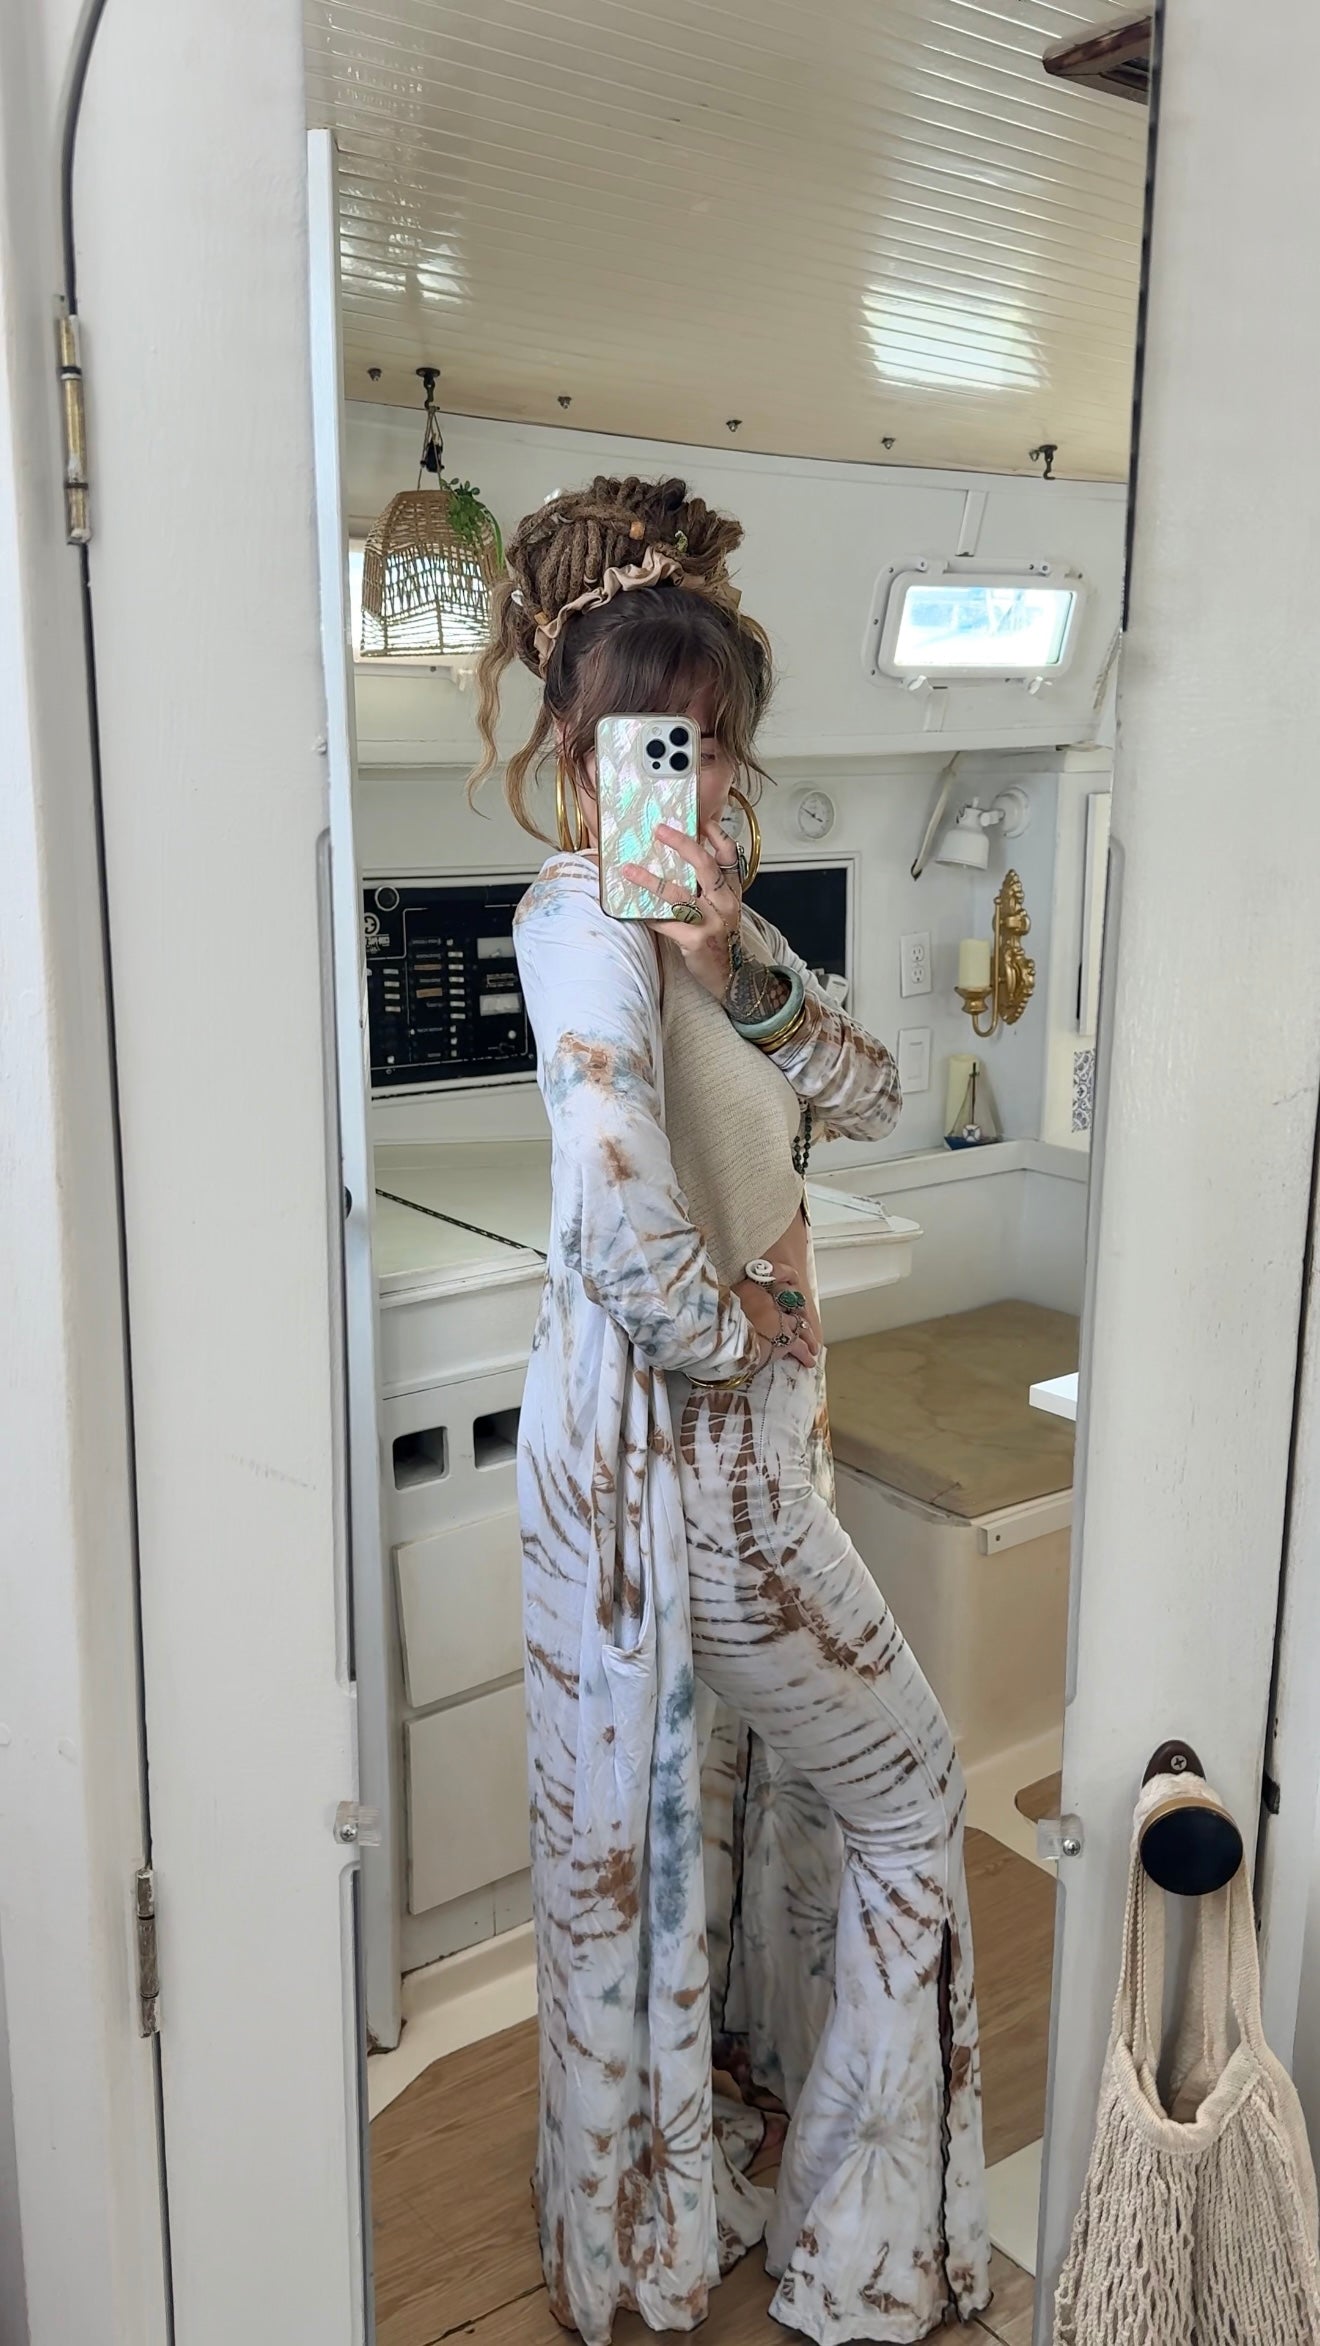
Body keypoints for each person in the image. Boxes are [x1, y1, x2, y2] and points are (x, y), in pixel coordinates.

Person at [471, 476, 989, 2345]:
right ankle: (861, 2250)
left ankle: (745, 2184)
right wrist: (746, 1326)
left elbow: (870, 1092)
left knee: (732, 1829)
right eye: (643, 735)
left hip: (747, 1467)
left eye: (700, 736)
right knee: (918, 1795)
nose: (676, 776)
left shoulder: (703, 929)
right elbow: (620, 1216)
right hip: (700, 1479)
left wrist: (735, 967)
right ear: (573, 741)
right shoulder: (569, 921)